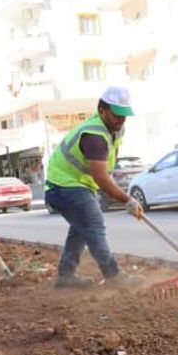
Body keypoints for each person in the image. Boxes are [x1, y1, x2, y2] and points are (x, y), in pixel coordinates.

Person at [44, 86, 145, 289]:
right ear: (102, 110)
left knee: (81, 229)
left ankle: (65, 276)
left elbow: (105, 168)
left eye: (125, 116)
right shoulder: (94, 135)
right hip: (63, 185)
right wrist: (128, 199)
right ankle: (113, 275)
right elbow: (101, 176)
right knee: (93, 224)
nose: (121, 120)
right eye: (117, 115)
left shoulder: (115, 129)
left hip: (77, 184)